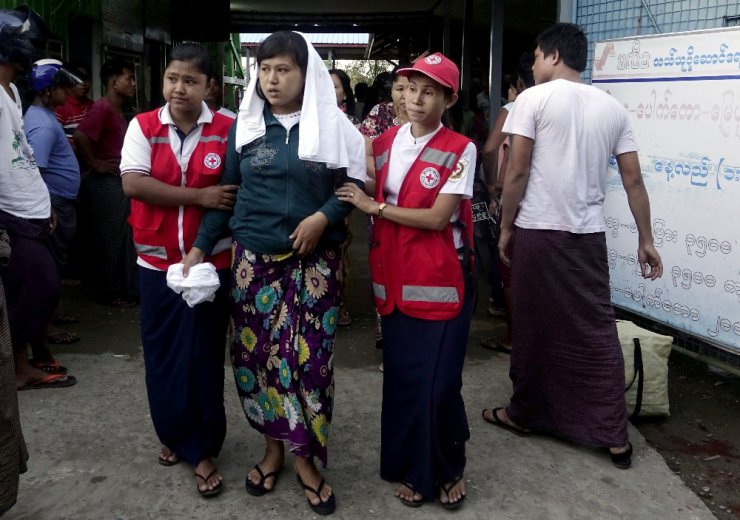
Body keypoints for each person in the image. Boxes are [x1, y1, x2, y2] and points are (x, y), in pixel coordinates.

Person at [183, 31, 365, 515]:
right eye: (265, 70)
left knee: (309, 365)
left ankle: (306, 459)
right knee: (259, 360)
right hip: (253, 266)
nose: (272, 79)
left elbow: (351, 187)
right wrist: (201, 247)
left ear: (307, 74)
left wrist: (322, 216)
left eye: (283, 69)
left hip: (314, 267)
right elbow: (227, 192)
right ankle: (272, 450)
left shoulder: (334, 127)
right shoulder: (244, 128)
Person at [482, 23, 663, 469]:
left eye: (538, 56)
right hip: (588, 235)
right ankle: (612, 434)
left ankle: (523, 414)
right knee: (595, 329)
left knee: (532, 326)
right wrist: (647, 239)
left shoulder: (532, 100)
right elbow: (634, 179)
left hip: (540, 232)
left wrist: (506, 228)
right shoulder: (612, 108)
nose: (536, 64)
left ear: (553, 55)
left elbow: (517, 172)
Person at [337, 52, 476, 510]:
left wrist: (372, 207)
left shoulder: (461, 149)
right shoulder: (384, 143)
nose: (415, 99)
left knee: (438, 384)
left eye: (428, 91)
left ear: (448, 99)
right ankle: (406, 464)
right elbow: (356, 174)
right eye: (409, 88)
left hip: (439, 282)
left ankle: (443, 469)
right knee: (401, 381)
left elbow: (439, 219)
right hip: (392, 281)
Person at [120, 42, 236, 499]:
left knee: (204, 355)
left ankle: (203, 444)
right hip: (156, 264)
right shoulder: (143, 126)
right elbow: (133, 183)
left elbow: (232, 190)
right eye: (172, 78)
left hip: (212, 265)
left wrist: (205, 228)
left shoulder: (228, 129)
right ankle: (175, 433)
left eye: (190, 80)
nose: (179, 88)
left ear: (210, 86)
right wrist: (198, 197)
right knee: (165, 354)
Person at [0, 6, 77, 393]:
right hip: (9, 213)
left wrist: (42, 202)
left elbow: (24, 155)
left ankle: (22, 362)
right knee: (35, 287)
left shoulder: (12, 91)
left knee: (37, 288)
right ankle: (15, 367)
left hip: (31, 208)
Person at [24, 59, 84, 348]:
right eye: (62, 88)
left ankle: (50, 314)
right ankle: (45, 323)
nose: (68, 92)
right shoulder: (44, 126)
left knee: (57, 261)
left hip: (60, 201)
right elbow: (37, 170)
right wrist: (46, 207)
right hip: (54, 203)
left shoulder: (44, 117)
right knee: (51, 264)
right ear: (48, 91)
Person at [479, 53, 535, 354]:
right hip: (547, 206)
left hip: (514, 199)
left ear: (518, 83)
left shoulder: (514, 108)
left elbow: (490, 149)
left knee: (508, 268)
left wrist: (491, 187)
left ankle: (514, 336)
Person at [74, 58, 138, 307]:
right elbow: (81, 135)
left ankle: (121, 288)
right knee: (109, 238)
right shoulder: (102, 107)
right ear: (114, 82)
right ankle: (109, 292)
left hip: (115, 182)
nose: (132, 83)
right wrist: (97, 163)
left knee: (121, 236)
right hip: (104, 185)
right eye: (129, 78)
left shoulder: (115, 108)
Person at [360, 63, 410, 359]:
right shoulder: (380, 114)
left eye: (411, 88)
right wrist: (389, 178)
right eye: (399, 88)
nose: (405, 96)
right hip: (381, 204)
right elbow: (364, 153)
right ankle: (387, 337)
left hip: (421, 208)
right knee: (383, 266)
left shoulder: (429, 115)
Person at [328, 68, 357, 327]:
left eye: (336, 87)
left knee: (340, 253)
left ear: (345, 93)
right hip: (315, 199)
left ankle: (340, 304)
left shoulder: (350, 125)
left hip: (341, 196)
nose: (329, 90)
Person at [54, 64, 93, 148]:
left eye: (85, 79)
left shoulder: (94, 106)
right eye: (78, 79)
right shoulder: (61, 107)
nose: (83, 83)